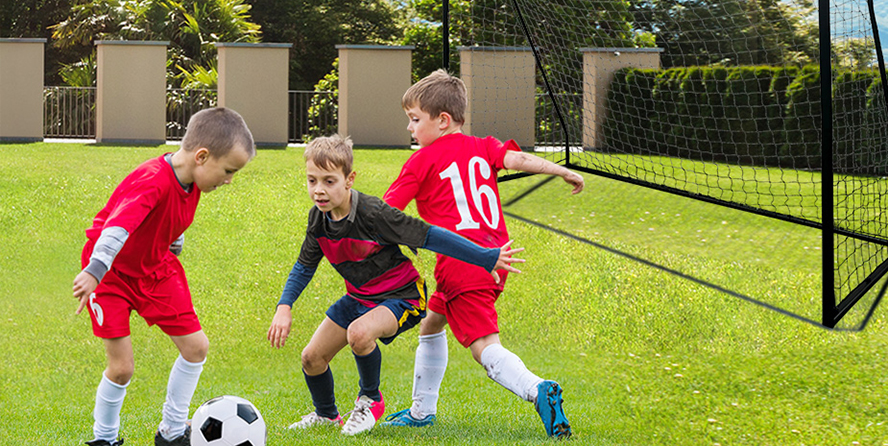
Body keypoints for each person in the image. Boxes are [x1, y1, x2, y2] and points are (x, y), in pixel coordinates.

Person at [267, 134, 525, 437]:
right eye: (312, 181)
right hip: (360, 297)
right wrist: (284, 306)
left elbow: (431, 236)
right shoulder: (318, 220)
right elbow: (304, 266)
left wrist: (485, 256)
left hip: (402, 296)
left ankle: (370, 400)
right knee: (311, 358)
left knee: (359, 333)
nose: (319, 190)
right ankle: (326, 415)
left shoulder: (374, 215)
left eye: (329, 181)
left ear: (349, 180)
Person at [380, 69, 584, 439]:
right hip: (495, 257)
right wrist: (559, 170)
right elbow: (520, 160)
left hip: (462, 263)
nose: (410, 128)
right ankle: (422, 410)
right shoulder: (483, 146)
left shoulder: (420, 162)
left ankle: (537, 389)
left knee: (484, 348)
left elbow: (384, 213)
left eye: (414, 119)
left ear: (442, 121)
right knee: (431, 323)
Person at [72, 107, 256, 446]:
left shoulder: (192, 181)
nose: (229, 180)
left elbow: (172, 219)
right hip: (109, 273)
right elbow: (117, 227)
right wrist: (95, 272)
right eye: (229, 171)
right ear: (202, 156)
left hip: (155, 269)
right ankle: (105, 439)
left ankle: (172, 432)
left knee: (196, 347)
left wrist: (173, 246)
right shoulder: (152, 179)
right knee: (122, 367)